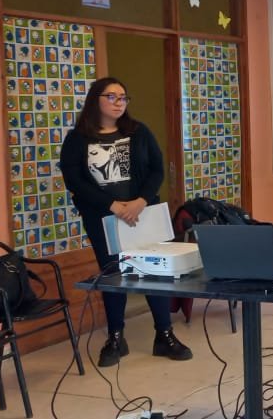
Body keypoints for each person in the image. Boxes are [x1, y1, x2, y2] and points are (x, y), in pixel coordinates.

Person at [60, 77, 193, 367]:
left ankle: (164, 335)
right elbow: (74, 180)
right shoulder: (77, 138)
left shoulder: (138, 132)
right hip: (103, 217)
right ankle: (116, 337)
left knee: (154, 271)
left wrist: (140, 201)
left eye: (123, 97)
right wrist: (112, 206)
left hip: (142, 215)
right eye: (112, 97)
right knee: (113, 274)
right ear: (96, 99)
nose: (119, 103)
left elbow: (157, 169)